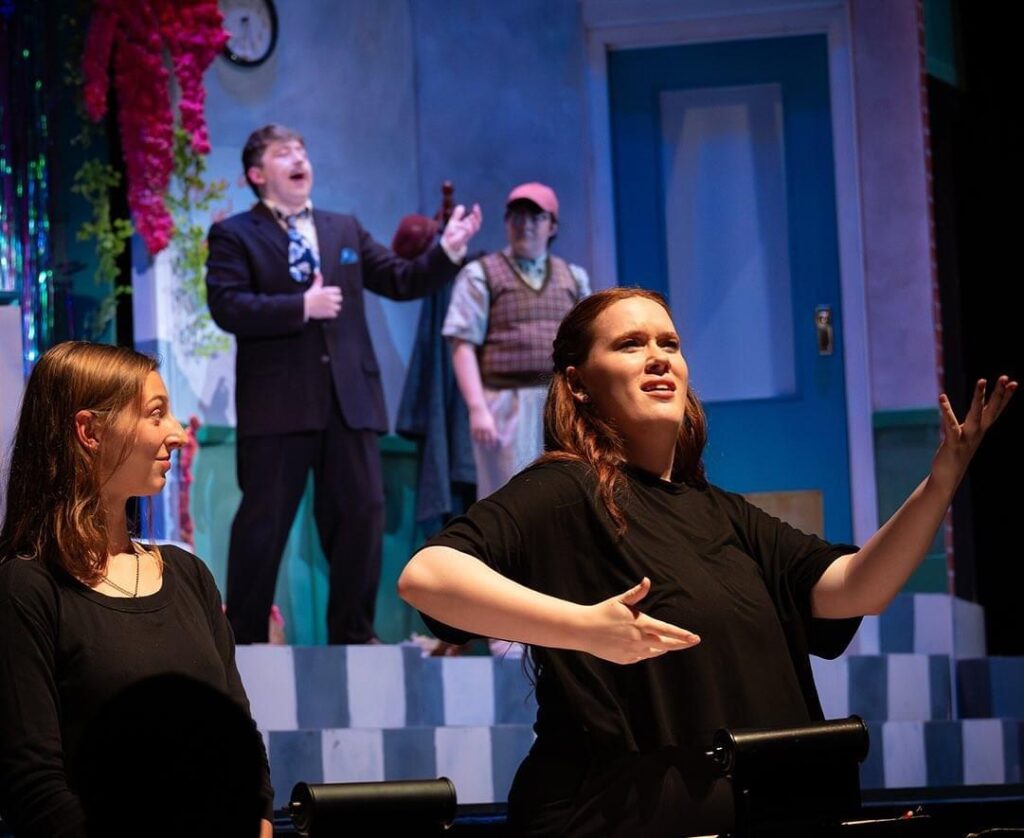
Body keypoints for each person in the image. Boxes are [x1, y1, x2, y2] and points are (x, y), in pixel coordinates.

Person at [398, 288, 1016, 836]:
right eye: (631, 344)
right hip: (617, 818)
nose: (658, 356)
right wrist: (585, 627)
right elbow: (427, 577)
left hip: (758, 809)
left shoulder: (723, 514)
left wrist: (939, 484)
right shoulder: (564, 491)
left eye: (669, 342)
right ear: (579, 382)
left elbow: (854, 588)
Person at [205, 124, 482, 645]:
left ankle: (353, 634)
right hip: (277, 403)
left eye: (303, 150)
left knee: (361, 515)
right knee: (263, 522)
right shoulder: (236, 234)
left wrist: (445, 251)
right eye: (284, 152)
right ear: (257, 174)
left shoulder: (342, 228)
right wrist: (300, 307)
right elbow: (227, 305)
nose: (299, 157)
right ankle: (242, 637)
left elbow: (400, 279)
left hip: (349, 400)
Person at [0, 341, 274, 838]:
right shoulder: (28, 588)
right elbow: (34, 784)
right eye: (156, 414)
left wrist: (256, 819)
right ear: (88, 430)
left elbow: (240, 738)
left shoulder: (189, 577)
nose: (177, 434)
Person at [443, 182, 590, 501]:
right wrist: (477, 408)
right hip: (503, 403)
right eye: (516, 216)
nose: (525, 225)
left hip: (559, 399)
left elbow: (587, 344)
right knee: (508, 495)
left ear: (552, 225)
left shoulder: (573, 277)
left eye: (535, 217)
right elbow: (462, 343)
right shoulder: (480, 274)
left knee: (565, 491)